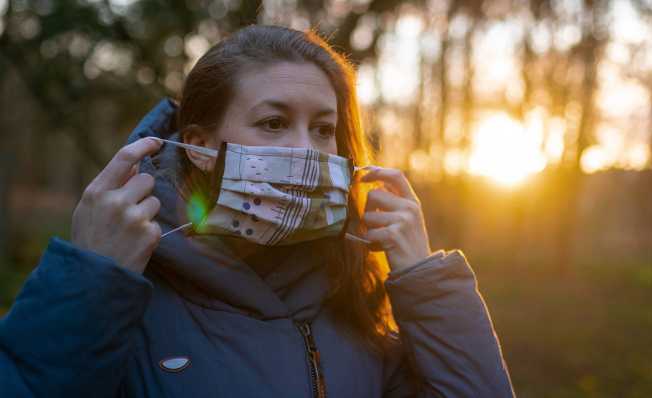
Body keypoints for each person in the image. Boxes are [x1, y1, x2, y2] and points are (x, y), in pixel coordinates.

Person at [0, 25, 514, 397]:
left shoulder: (354, 307)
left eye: (322, 129)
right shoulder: (125, 302)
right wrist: (90, 281)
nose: (306, 150)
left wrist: (425, 280)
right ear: (201, 147)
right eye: (273, 123)